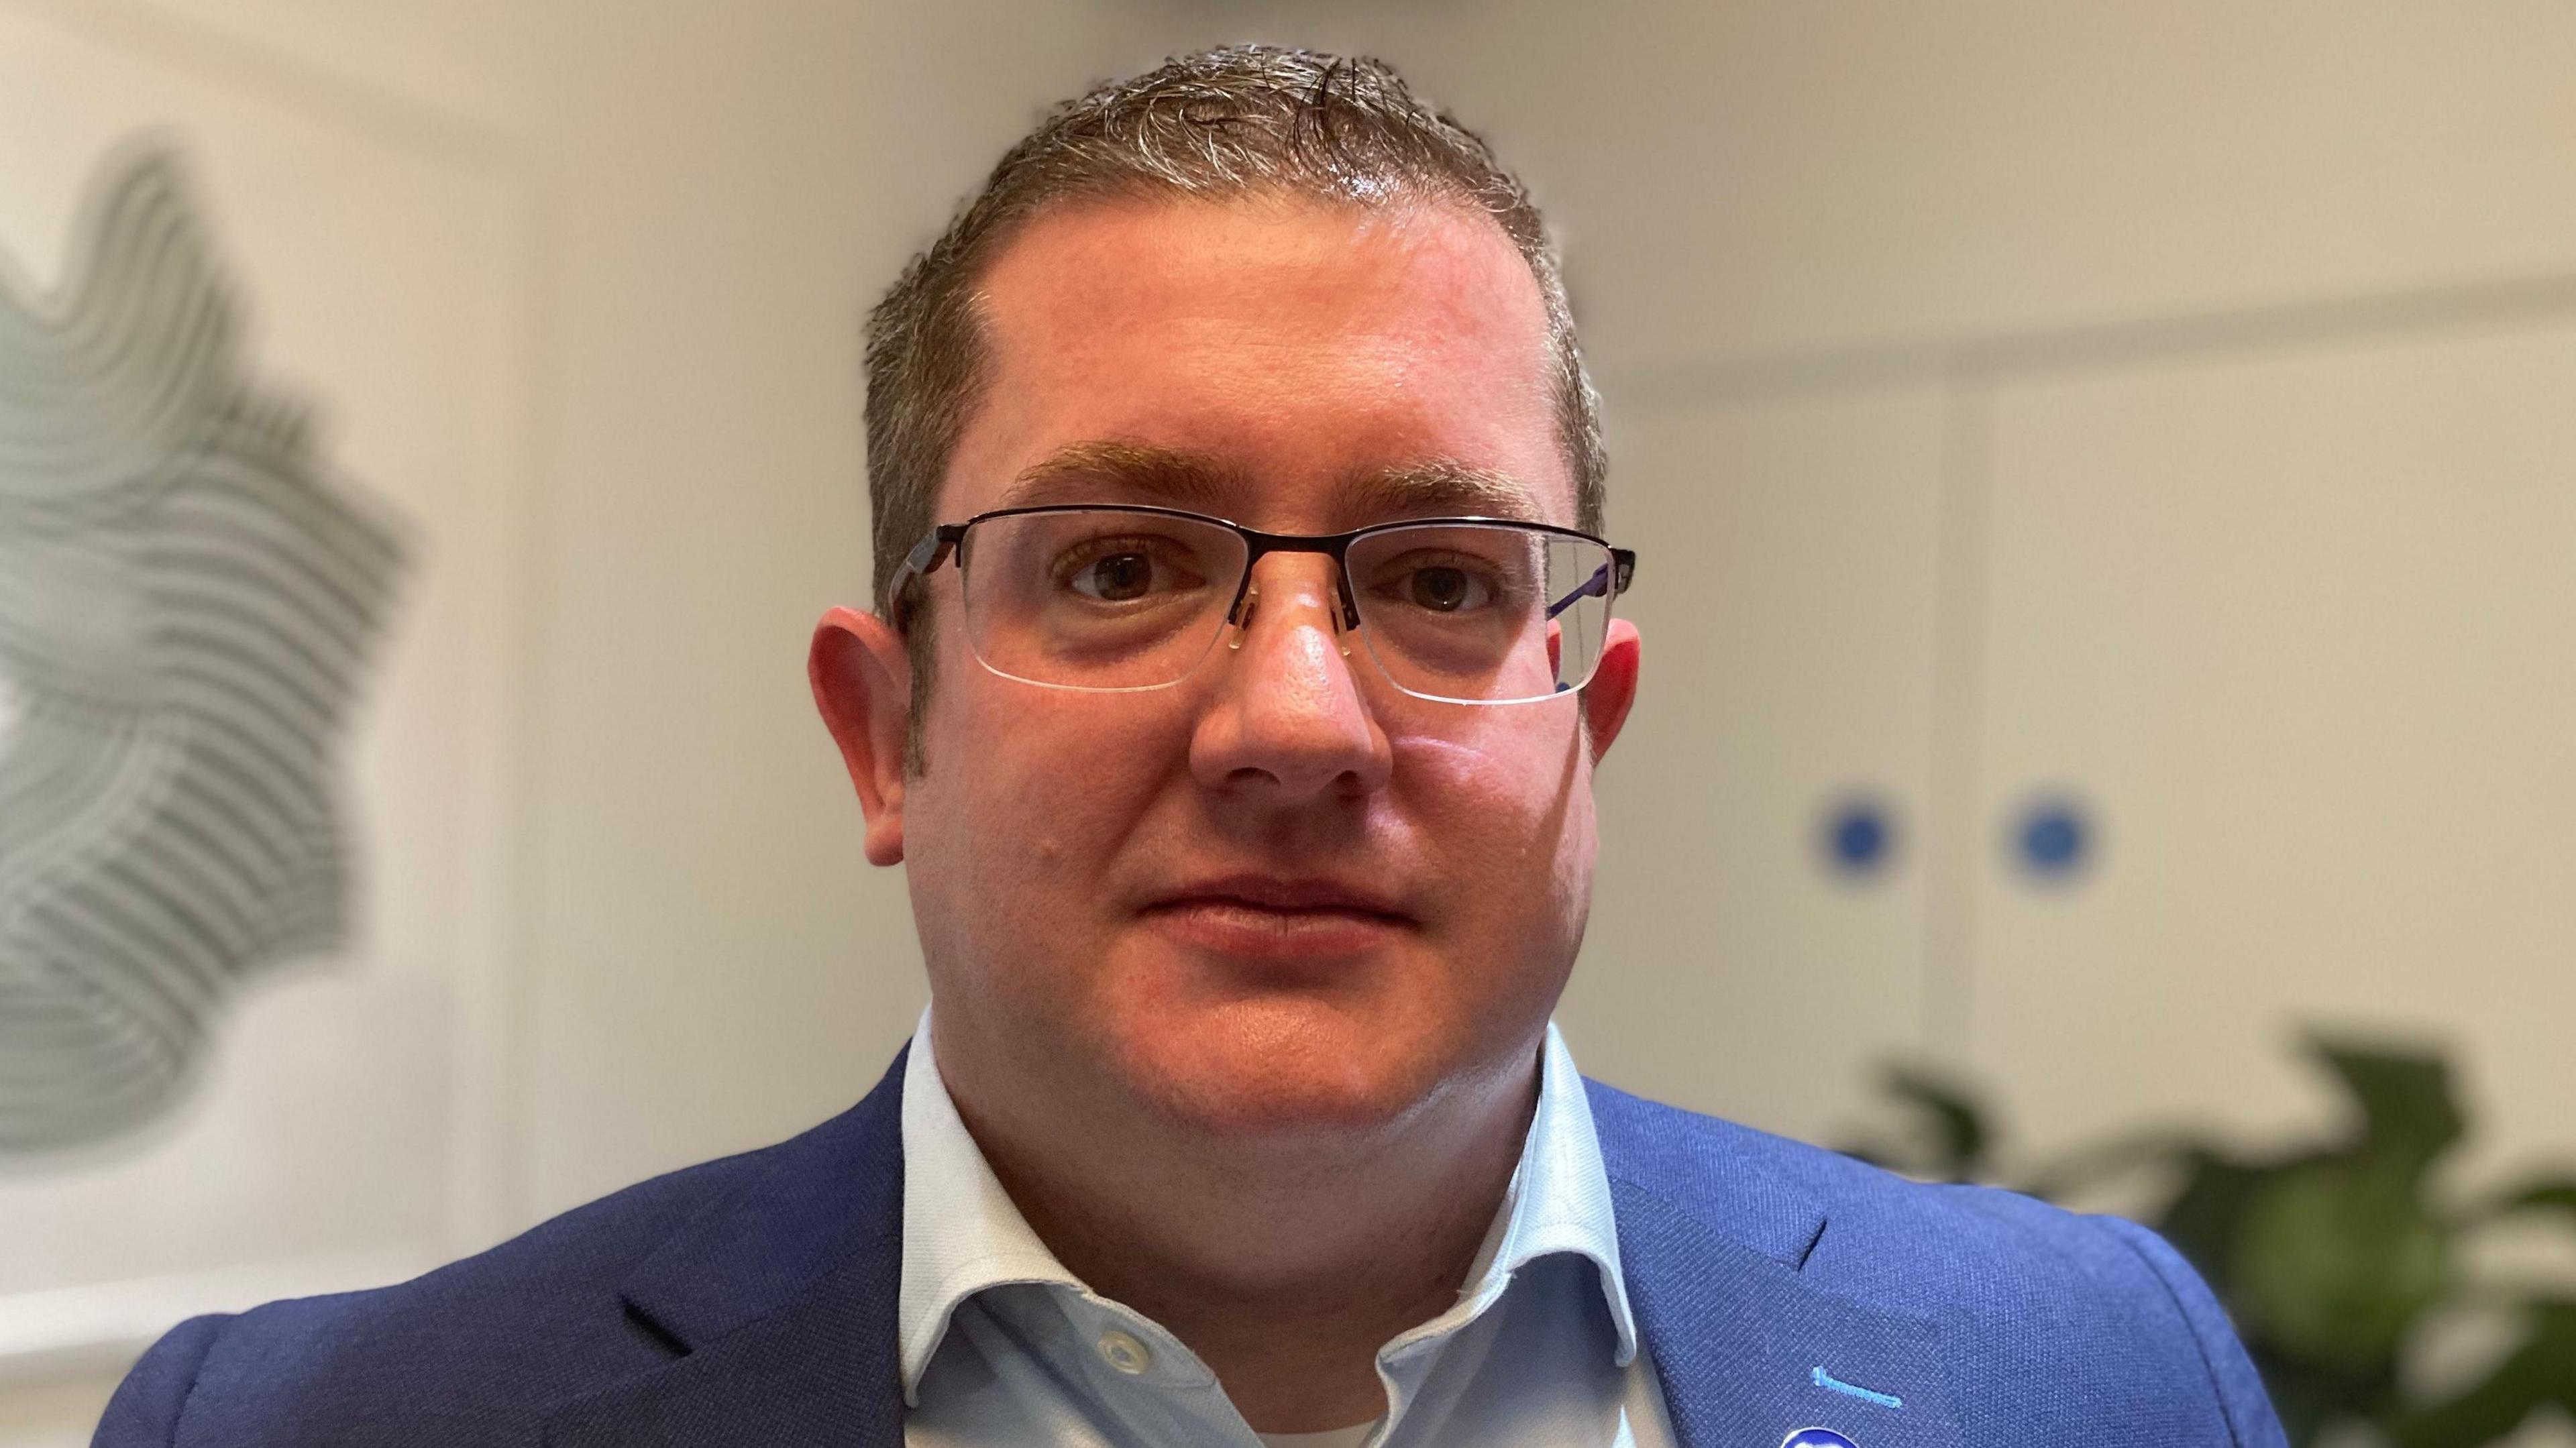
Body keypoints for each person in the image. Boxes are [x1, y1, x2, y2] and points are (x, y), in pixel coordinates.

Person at [95, 45, 2286, 1448]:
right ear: (889, 739)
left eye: (1440, 579)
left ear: (1583, 727)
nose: (1297, 720)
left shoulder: (2087, 1373)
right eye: (1125, 565)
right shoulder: (315, 1424)